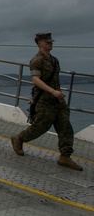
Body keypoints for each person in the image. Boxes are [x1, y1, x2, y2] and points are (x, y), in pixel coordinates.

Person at [10, 33, 83, 171]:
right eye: (47, 42)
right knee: (40, 127)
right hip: (44, 99)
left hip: (57, 100)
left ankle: (65, 156)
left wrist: (57, 94)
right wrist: (52, 91)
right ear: (40, 43)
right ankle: (19, 138)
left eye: (51, 42)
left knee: (65, 127)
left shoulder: (54, 60)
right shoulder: (36, 60)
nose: (50, 44)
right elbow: (36, 79)